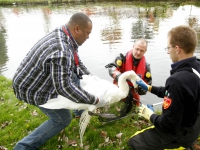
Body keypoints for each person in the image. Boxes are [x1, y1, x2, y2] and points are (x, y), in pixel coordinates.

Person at [12, 12, 106, 149]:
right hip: (30, 87)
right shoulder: (61, 50)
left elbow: (76, 63)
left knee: (73, 75)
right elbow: (64, 87)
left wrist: (91, 78)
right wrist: (95, 100)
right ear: (77, 29)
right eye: (87, 33)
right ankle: (23, 147)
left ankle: (79, 111)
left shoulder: (64, 34)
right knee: (62, 119)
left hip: (34, 77)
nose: (88, 37)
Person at [128, 25, 200, 150]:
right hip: (195, 126)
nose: (167, 52)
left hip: (181, 134)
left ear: (177, 49)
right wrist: (149, 87)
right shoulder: (196, 66)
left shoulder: (177, 80)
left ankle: (181, 147)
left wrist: (149, 115)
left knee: (134, 142)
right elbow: (174, 93)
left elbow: (168, 124)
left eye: (168, 48)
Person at [107, 38, 152, 115]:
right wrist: (119, 76)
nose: (138, 52)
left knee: (133, 113)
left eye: (142, 51)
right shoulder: (121, 58)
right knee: (114, 110)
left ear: (145, 51)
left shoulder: (146, 66)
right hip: (119, 90)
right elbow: (111, 67)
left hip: (134, 94)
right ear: (133, 46)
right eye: (137, 49)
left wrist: (143, 89)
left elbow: (148, 83)